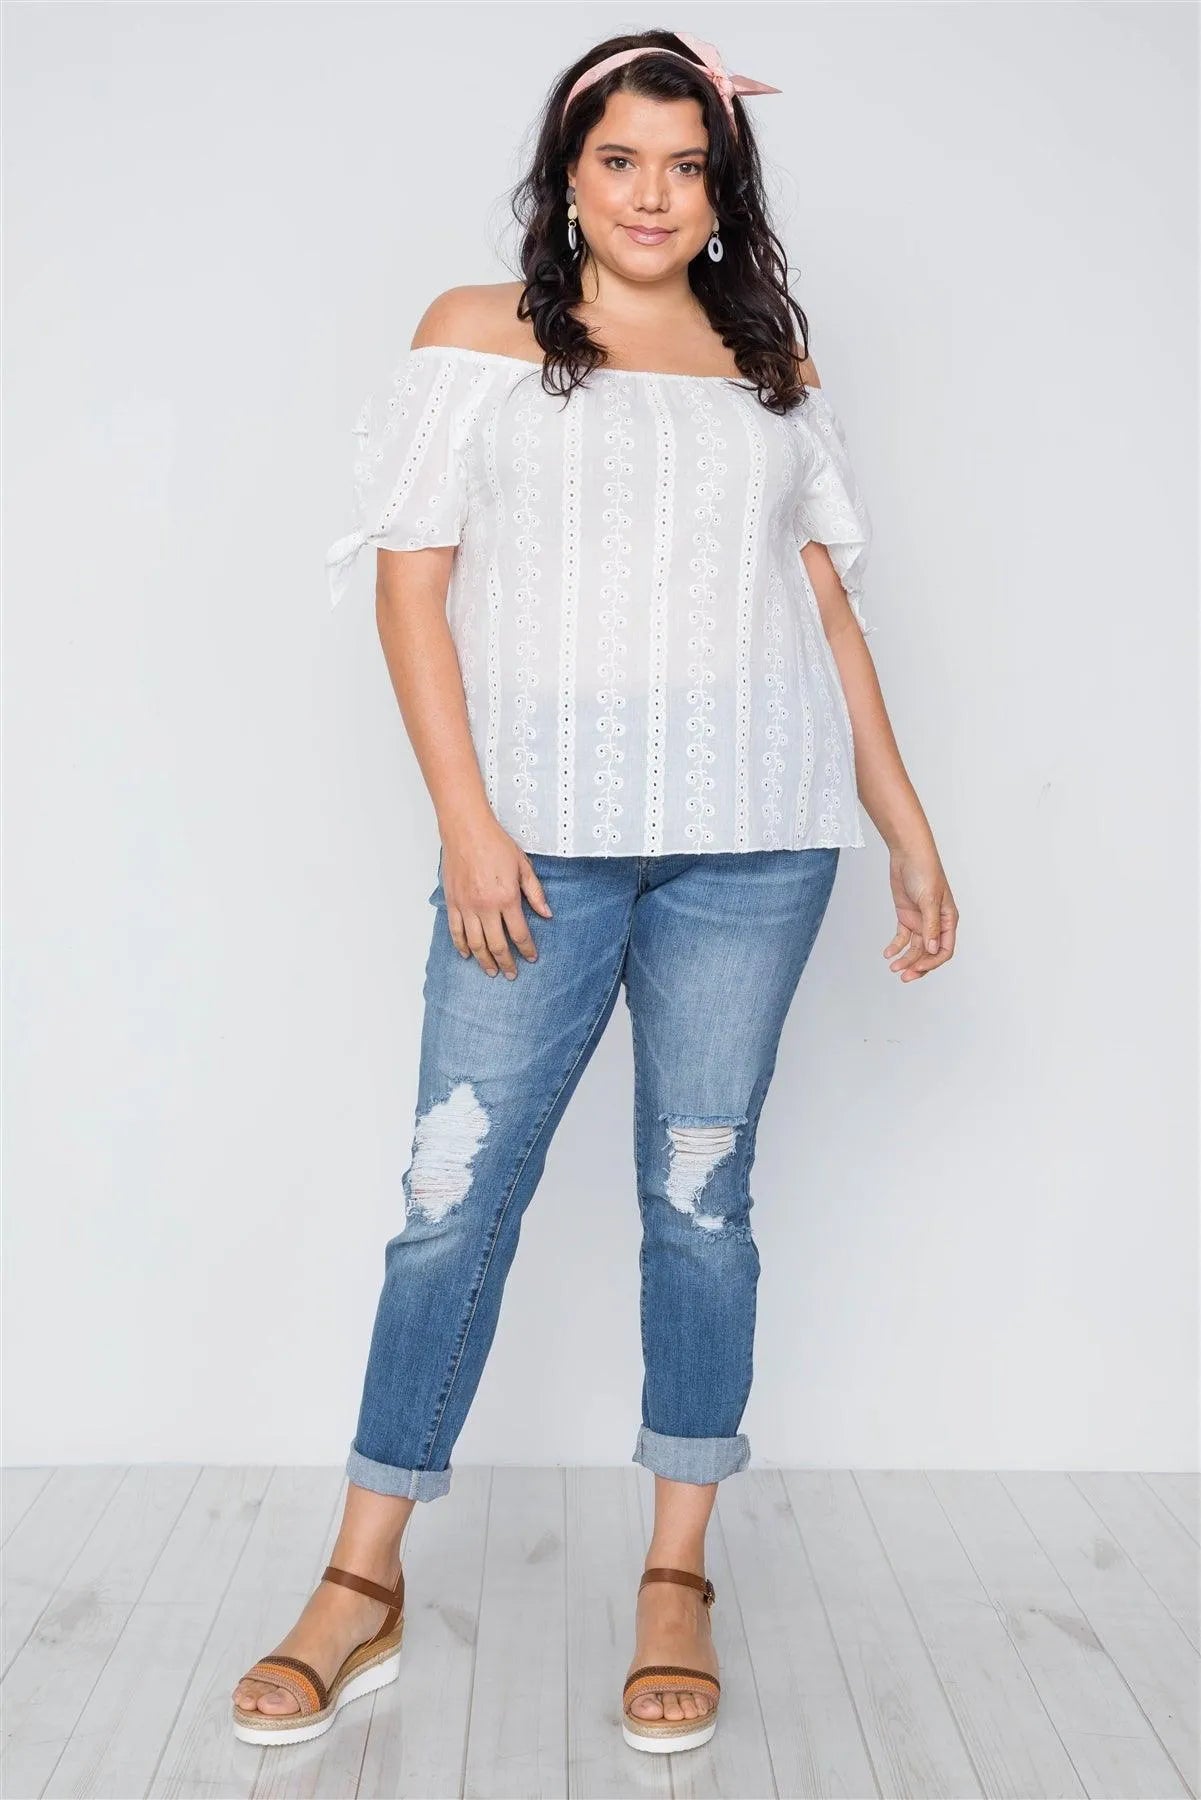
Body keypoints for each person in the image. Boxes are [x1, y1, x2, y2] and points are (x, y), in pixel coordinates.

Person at [232, 26, 958, 1756]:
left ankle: (675, 1575)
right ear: (567, 176)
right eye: (620, 159)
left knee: (699, 1202)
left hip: (755, 840)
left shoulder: (764, 356)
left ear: (722, 191)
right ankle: (361, 1579)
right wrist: (467, 824)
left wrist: (906, 826)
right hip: (535, 845)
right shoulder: (477, 334)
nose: (652, 195)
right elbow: (414, 590)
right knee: (452, 1195)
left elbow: (824, 607)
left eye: (685, 165)